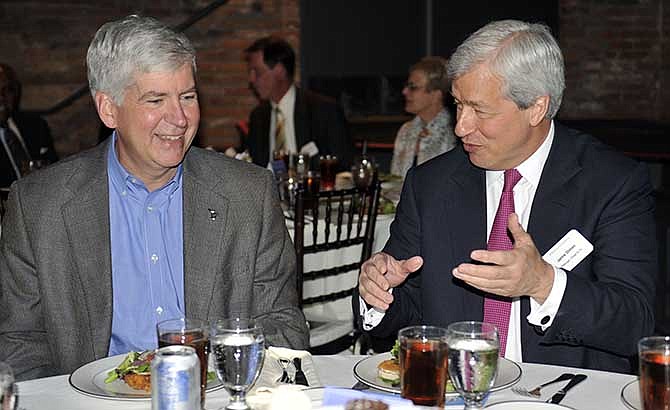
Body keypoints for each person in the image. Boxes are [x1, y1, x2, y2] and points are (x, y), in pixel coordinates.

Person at [0, 15, 308, 381]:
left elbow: (283, 326)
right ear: (108, 109)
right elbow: (21, 344)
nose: (179, 118)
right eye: (156, 99)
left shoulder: (247, 195)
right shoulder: (39, 207)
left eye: (187, 96)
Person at [354, 19, 657, 373]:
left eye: (479, 110)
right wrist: (378, 295)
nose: (460, 126)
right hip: (455, 391)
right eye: (458, 104)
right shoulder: (431, 185)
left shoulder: (611, 183)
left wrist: (543, 282)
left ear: (536, 108)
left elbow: (634, 323)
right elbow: (408, 311)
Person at [244, 36, 353, 172]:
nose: (251, 79)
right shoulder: (258, 117)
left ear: (279, 71)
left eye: (257, 72)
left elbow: (343, 165)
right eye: (250, 73)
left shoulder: (324, 110)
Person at [390, 57, 457, 178]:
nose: (404, 91)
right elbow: (395, 181)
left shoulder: (454, 134)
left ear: (436, 95)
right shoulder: (406, 130)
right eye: (407, 86)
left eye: (413, 87)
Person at [0, 63, 58, 188]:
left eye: (7, 90)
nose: (1, 98)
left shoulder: (36, 126)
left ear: (16, 92)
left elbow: (55, 167)